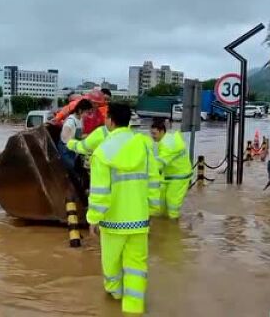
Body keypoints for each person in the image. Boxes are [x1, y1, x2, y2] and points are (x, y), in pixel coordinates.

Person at [87, 102, 160, 315]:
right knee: (137, 266)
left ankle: (115, 294)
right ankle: (133, 308)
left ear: (110, 120)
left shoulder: (102, 152)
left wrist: (93, 219)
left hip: (112, 223)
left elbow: (100, 192)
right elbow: (154, 180)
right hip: (139, 219)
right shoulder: (144, 145)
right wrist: (152, 210)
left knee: (111, 263)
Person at [150, 119, 193, 219]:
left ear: (161, 131)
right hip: (168, 175)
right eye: (151, 133)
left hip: (180, 176)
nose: (152, 136)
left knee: (172, 200)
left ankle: (173, 223)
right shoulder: (166, 140)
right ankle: (163, 223)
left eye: (154, 134)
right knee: (160, 199)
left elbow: (159, 164)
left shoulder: (167, 145)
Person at [58, 99, 93, 171]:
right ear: (80, 110)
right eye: (87, 112)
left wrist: (89, 135)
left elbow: (78, 136)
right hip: (66, 151)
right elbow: (66, 141)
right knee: (76, 169)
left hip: (73, 149)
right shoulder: (70, 122)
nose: (88, 115)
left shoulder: (80, 119)